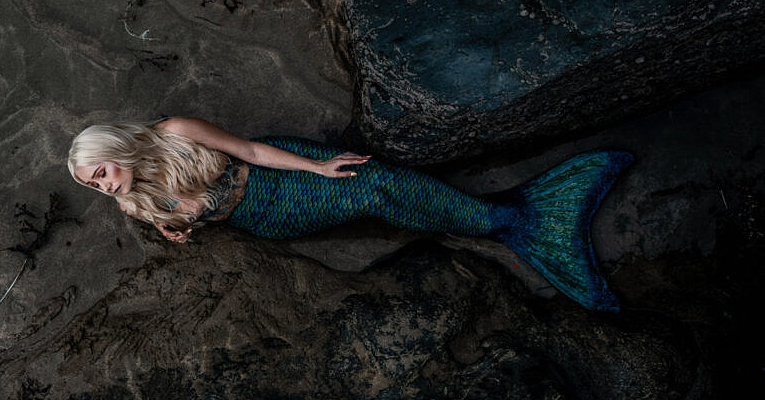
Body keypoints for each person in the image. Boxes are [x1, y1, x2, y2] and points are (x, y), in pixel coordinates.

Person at [68, 117, 632, 312]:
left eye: (99, 171)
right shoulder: (131, 201)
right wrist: (174, 228)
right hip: (266, 217)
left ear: (114, 148)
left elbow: (252, 151)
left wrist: (316, 168)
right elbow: (176, 223)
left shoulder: (174, 133)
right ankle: (510, 222)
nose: (102, 185)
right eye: (90, 184)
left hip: (273, 172)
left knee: (372, 179)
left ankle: (505, 220)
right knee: (371, 198)